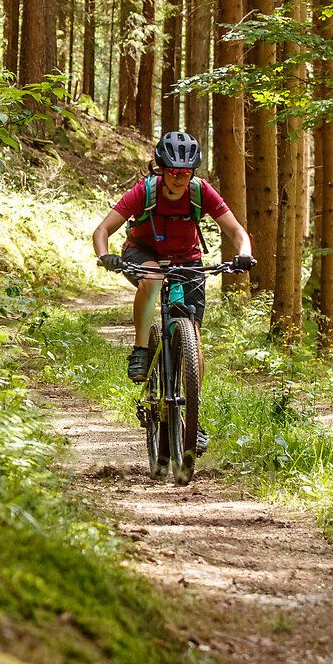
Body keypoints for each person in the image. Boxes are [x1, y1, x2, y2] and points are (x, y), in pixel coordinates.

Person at [91, 132, 254, 452]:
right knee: (152, 277)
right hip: (143, 254)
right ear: (160, 169)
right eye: (173, 171)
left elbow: (236, 231)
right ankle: (140, 349)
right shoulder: (144, 191)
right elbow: (102, 230)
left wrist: (244, 253)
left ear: (193, 173)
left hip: (188, 262)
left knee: (192, 337)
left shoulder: (200, 191)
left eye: (185, 172)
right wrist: (104, 255)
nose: (179, 178)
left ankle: (190, 417)